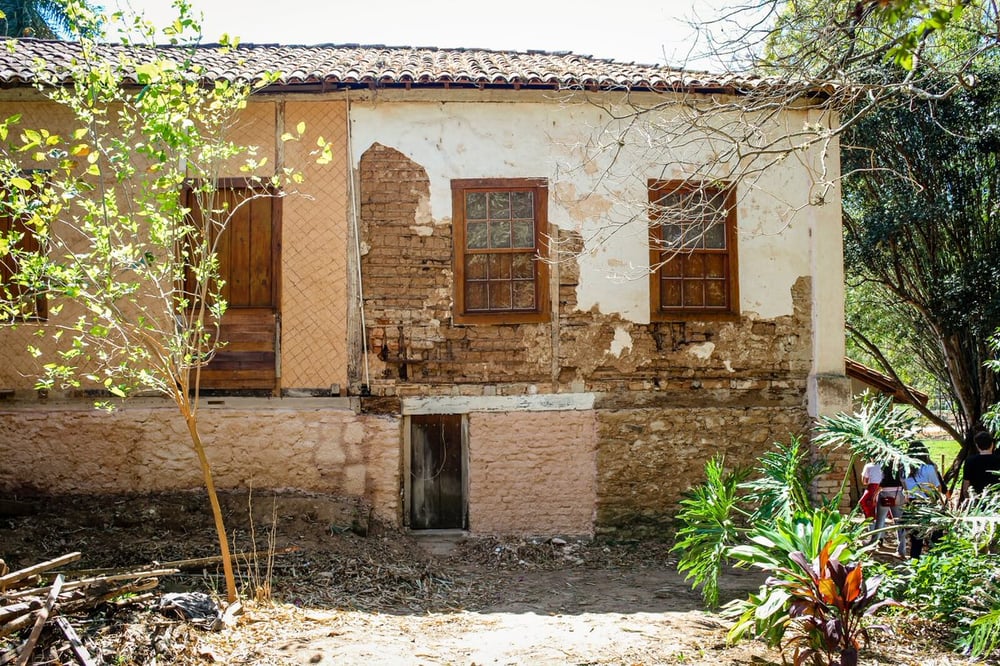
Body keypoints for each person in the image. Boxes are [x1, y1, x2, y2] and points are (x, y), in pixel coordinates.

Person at [903, 441, 944, 559]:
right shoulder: (929, 468)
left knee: (916, 540)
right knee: (935, 539)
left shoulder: (904, 470)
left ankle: (914, 564)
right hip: (929, 504)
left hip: (913, 505)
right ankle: (935, 562)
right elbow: (937, 488)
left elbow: (906, 490)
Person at [873, 462, 906, 557]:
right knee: (899, 522)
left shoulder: (885, 465)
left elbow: (883, 481)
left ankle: (873, 545)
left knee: (880, 520)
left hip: (885, 494)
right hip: (898, 493)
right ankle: (901, 550)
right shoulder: (901, 466)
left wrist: (875, 493)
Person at [962, 430, 1000, 498]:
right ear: (992, 444)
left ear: (977, 445)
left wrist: (969, 501)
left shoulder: (970, 461)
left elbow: (966, 487)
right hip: (996, 500)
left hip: (977, 499)